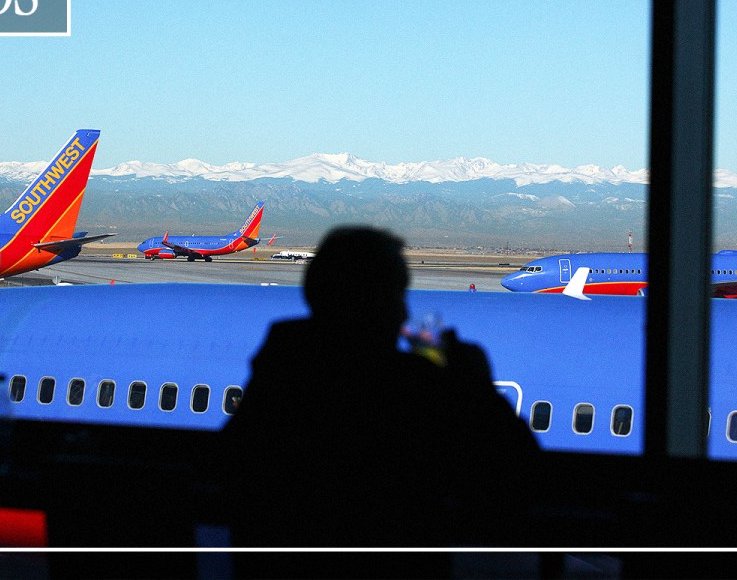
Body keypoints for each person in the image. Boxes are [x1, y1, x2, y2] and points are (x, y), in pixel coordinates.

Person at [220, 226, 539, 551]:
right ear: (377, 304)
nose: (403, 312)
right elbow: (523, 477)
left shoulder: (283, 363)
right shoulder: (408, 384)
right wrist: (476, 386)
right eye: (397, 295)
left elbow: (228, 463)